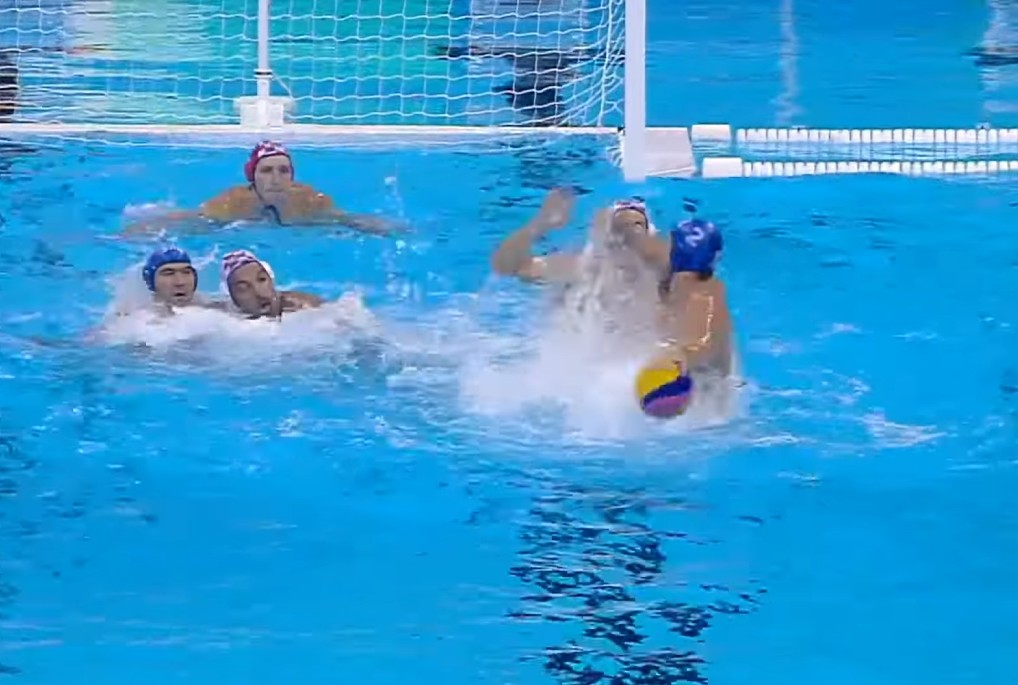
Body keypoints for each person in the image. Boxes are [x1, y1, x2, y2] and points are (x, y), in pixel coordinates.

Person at [491, 188, 673, 337]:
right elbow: (508, 266)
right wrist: (541, 223)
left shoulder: (664, 274)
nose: (627, 241)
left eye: (637, 228)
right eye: (618, 233)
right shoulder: (581, 268)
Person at [124, 141, 396, 235]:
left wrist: (387, 228)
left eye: (283, 171)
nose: (276, 178)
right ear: (252, 178)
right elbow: (187, 219)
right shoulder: (232, 203)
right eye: (266, 171)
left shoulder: (311, 200)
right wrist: (138, 230)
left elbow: (348, 219)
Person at [629, 217, 733, 379]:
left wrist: (678, 358)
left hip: (704, 385)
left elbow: (705, 344)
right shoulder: (671, 283)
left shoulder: (708, 293)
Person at [220, 249, 324, 319]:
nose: (259, 293)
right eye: (243, 288)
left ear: (271, 280)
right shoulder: (224, 316)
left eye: (262, 279)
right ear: (232, 297)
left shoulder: (302, 307)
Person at [140, 246, 206, 312]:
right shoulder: (141, 317)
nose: (180, 282)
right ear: (150, 281)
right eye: (168, 274)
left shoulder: (209, 310)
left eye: (186, 272)